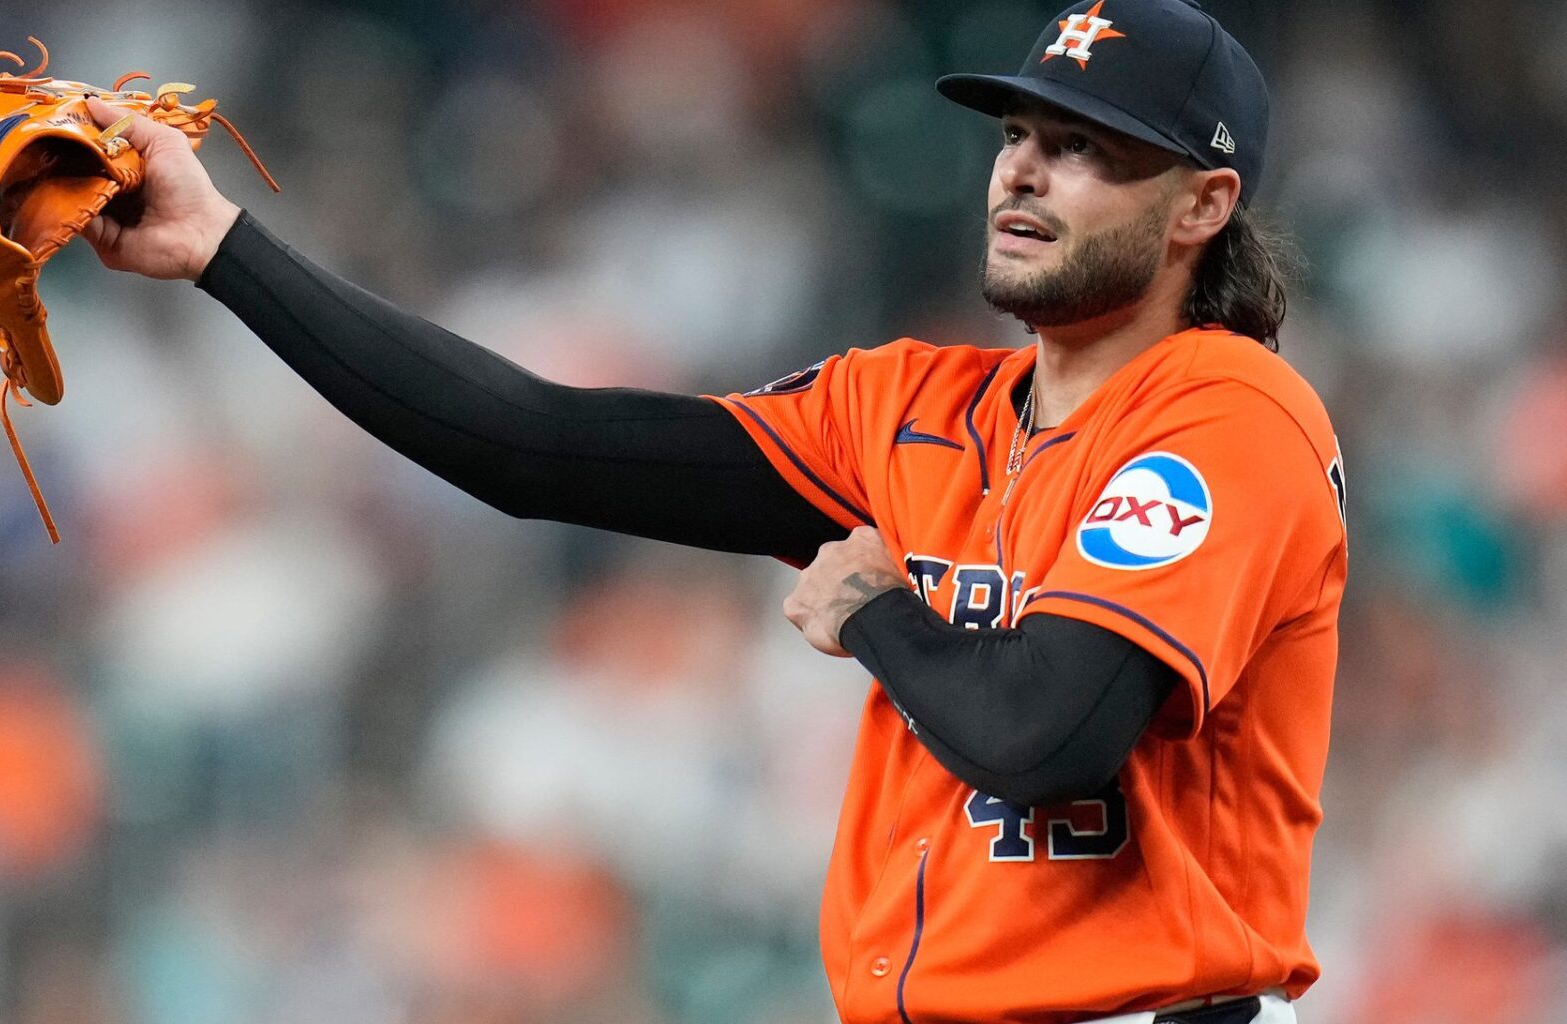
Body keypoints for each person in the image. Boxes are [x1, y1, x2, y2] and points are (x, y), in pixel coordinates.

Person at [77, 0, 1344, 1020]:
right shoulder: (909, 405)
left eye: (1087, 149)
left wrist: (875, 611)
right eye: (1020, 131)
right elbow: (536, 445)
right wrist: (220, 249)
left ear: (1202, 206)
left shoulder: (1229, 413)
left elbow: (1046, 734)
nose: (1025, 169)